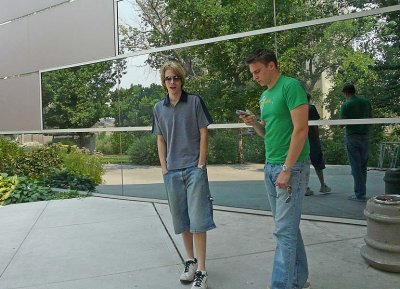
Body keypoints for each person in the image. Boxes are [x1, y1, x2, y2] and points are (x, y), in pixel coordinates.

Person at [241, 48, 311, 289]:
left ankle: (281, 285)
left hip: (291, 168)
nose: (255, 77)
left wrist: (288, 168)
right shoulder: (265, 97)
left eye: (257, 71)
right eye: (252, 73)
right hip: (271, 166)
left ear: (272, 66)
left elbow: (301, 129)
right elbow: (266, 132)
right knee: (287, 227)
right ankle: (298, 280)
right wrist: (255, 123)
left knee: (284, 230)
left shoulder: (291, 87)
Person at [152, 61, 215, 289]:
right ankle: (190, 261)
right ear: (163, 82)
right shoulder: (159, 108)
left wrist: (200, 164)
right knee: (182, 219)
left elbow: (203, 132)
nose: (172, 82)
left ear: (181, 80)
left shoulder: (195, 102)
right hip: (172, 171)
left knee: (198, 220)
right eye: (168, 79)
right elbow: (160, 138)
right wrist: (164, 168)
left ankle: (202, 270)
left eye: (176, 78)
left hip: (193, 169)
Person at [340, 84, 372, 202]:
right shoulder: (366, 102)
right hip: (366, 135)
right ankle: (362, 192)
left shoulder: (347, 105)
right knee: (363, 165)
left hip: (353, 136)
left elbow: (342, 124)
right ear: (354, 91)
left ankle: (359, 193)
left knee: (355, 166)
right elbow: (371, 117)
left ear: (345, 93)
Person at [305, 93, 331, 196]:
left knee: (303, 163)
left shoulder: (296, 108)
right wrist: (316, 137)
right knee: (318, 162)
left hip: (300, 139)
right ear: (309, 99)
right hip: (312, 138)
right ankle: (322, 185)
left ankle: (305, 187)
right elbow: (315, 125)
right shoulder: (311, 108)